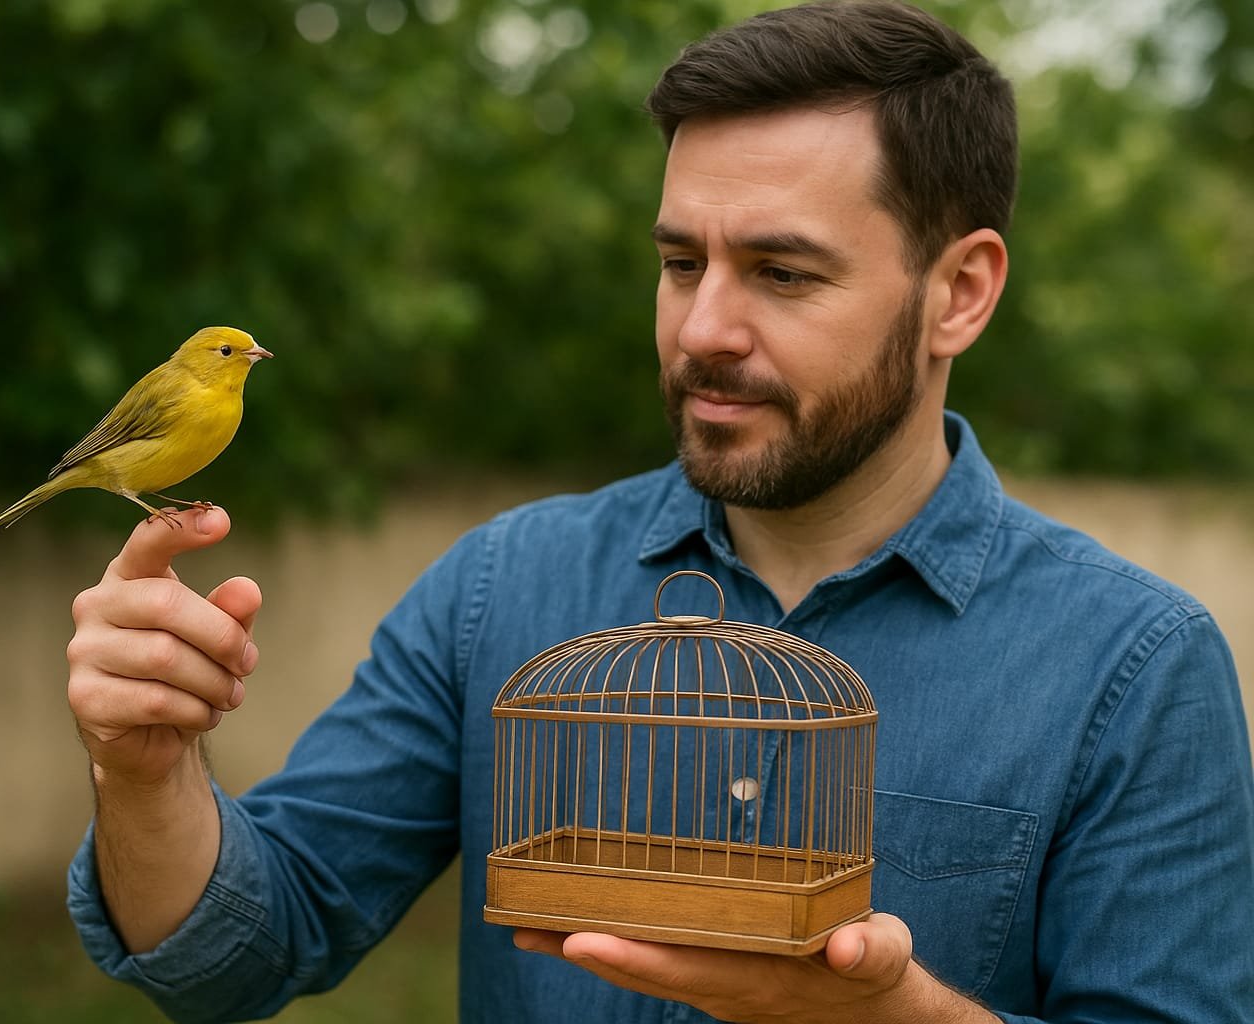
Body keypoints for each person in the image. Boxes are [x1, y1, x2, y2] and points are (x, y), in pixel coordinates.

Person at [63, 2, 1254, 1021]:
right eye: (683, 262)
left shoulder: (1134, 672)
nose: (701, 331)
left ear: (961, 292)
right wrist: (149, 773)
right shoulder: (499, 593)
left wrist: (897, 1015)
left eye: (783, 274)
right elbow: (238, 953)